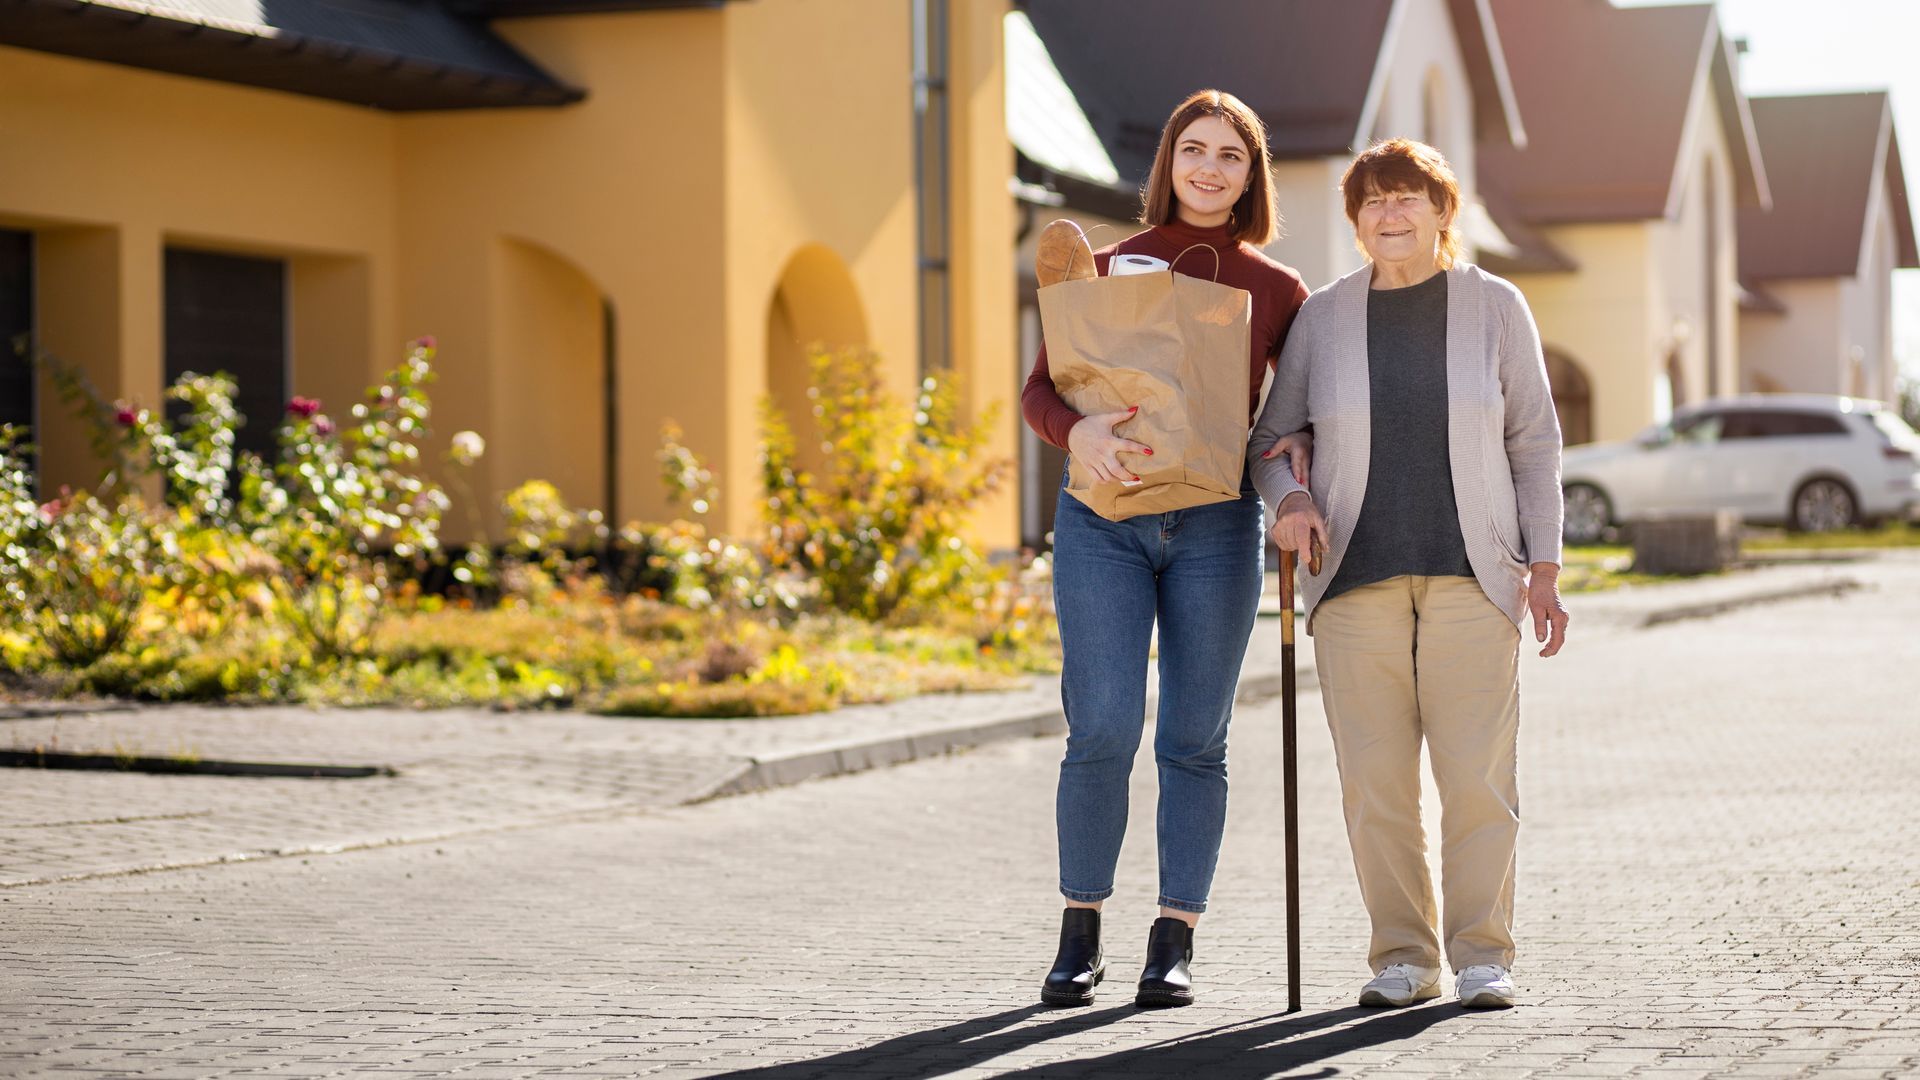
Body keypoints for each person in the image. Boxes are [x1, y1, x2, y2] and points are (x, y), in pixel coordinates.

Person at [1249, 138, 1569, 1010]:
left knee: (1476, 779)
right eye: (1372, 203)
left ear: (1442, 211)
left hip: (1476, 576)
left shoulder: (1494, 306)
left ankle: (1481, 955)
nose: (1390, 215)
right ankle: (1403, 956)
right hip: (1354, 579)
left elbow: (1533, 443)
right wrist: (1287, 502)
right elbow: (1269, 443)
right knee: (1377, 784)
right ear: (1355, 221)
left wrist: (1543, 565)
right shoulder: (1323, 316)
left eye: (1407, 199)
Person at [1023, 88, 1310, 1008]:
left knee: (1195, 739)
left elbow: (1290, 415)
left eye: (1231, 155)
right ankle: (1080, 932)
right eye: (1195, 150)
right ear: (1168, 163)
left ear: (1250, 175)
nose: (1210, 168)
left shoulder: (1279, 290)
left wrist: (1297, 464)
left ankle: (1173, 935)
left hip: (1218, 529)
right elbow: (1040, 393)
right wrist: (1081, 435)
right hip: (1102, 523)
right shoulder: (1102, 268)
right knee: (1101, 728)